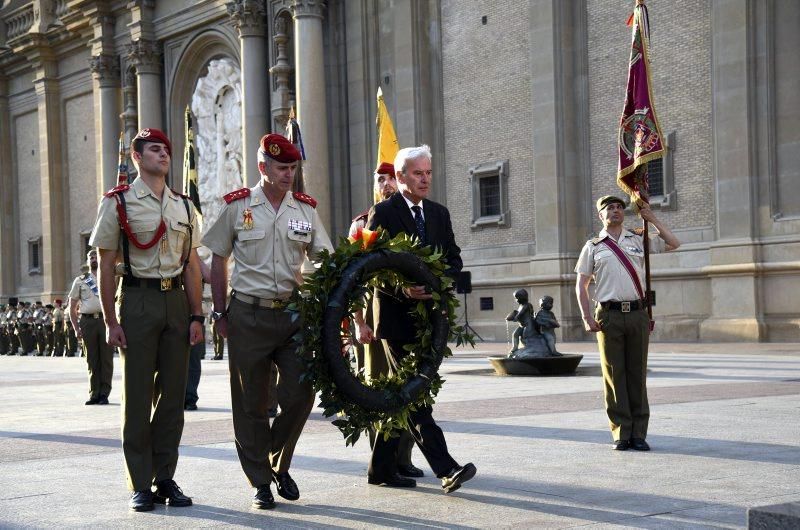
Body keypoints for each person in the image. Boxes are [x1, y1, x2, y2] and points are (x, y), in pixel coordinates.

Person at [203, 133, 332, 510]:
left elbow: (325, 259)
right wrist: (220, 312)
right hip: (248, 314)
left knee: (301, 393)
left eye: (293, 167)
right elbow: (217, 260)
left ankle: (276, 458)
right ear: (263, 167)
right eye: (281, 167)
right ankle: (260, 481)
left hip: (293, 314)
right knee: (251, 403)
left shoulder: (305, 210)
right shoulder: (238, 206)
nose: (289, 174)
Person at [89, 127, 204, 512]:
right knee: (137, 396)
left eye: (166, 150)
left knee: (173, 397)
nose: (164, 155)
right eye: (155, 150)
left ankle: (164, 476)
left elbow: (191, 265)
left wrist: (197, 314)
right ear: (137, 157)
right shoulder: (118, 202)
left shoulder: (184, 206)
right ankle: (140, 482)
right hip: (137, 300)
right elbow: (105, 263)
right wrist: (109, 320)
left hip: (175, 303)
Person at [365, 144, 477, 494]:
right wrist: (402, 290)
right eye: (418, 173)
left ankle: (381, 468)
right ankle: (446, 468)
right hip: (396, 320)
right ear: (400, 177)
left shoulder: (439, 214)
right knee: (416, 392)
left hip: (430, 320)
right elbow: (369, 268)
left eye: (428, 172)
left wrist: (440, 281)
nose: (425, 178)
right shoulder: (382, 212)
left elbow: (454, 259)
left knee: (403, 392)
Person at [575, 195, 680, 452]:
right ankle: (621, 433)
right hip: (608, 316)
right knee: (614, 375)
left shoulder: (638, 239)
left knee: (637, 374)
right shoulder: (593, 245)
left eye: (620, 207)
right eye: (609, 208)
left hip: (637, 314)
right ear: (601, 216)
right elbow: (582, 284)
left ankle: (639, 434)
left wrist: (652, 219)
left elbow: (674, 243)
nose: (615, 211)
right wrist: (587, 317)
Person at [352, 161, 423, 480]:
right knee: (380, 385)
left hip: (409, 311)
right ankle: (381, 459)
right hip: (373, 311)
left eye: (391, 178)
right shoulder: (362, 225)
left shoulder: (415, 219)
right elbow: (351, 277)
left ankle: (403, 457)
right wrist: (358, 321)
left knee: (411, 383)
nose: (386, 184)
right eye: (380, 179)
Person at [68, 250, 114, 405]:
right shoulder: (80, 280)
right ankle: (94, 393)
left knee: (106, 359)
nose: (93, 259)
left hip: (105, 320)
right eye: (91, 257)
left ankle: (104, 394)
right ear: (87, 261)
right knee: (91, 359)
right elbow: (72, 306)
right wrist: (76, 327)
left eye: (95, 256)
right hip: (87, 322)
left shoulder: (109, 276)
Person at [185, 259, 212, 411]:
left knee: (194, 360)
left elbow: (209, 277)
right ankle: (177, 397)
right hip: (174, 314)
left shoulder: (195, 259)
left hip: (194, 317)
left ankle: (190, 397)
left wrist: (195, 257)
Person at [506, 289, 534, 354]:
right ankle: (515, 347)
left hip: (528, 325)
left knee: (525, 336)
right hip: (521, 325)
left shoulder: (526, 305)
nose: (516, 300)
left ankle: (528, 348)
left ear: (522, 297)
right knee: (515, 334)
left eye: (516, 298)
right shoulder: (520, 306)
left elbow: (521, 313)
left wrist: (516, 317)